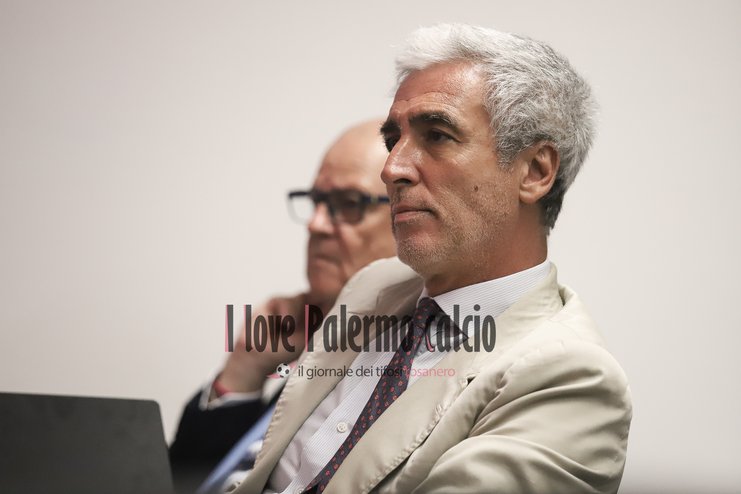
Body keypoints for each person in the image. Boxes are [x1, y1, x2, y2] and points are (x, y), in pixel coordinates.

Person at [231, 24, 632, 494]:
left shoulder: (571, 378)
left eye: (437, 136)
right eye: (393, 140)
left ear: (535, 171)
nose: (391, 169)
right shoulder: (373, 287)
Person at [168, 119, 397, 492]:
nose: (316, 224)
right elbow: (180, 481)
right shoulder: (319, 343)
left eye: (349, 203)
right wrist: (244, 369)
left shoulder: (411, 363)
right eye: (317, 201)